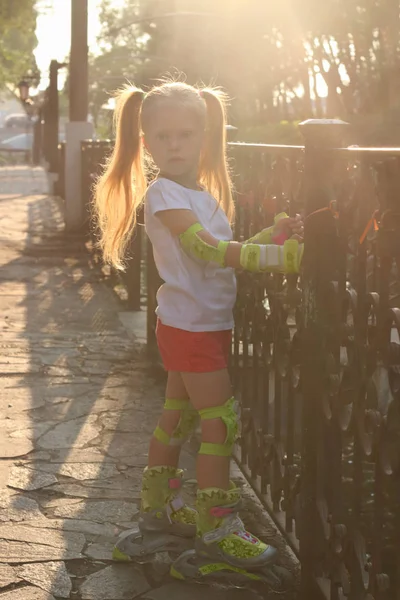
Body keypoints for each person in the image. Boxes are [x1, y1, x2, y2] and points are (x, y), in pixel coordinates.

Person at [94, 80, 303, 584]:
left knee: (178, 416)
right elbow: (204, 250)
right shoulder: (165, 192)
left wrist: (268, 238)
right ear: (147, 143)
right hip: (191, 329)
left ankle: (159, 508)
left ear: (205, 138)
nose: (175, 145)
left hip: (195, 325)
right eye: (163, 137)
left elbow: (219, 256)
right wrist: (278, 259)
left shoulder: (196, 192)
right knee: (220, 421)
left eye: (186, 134)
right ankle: (216, 527)